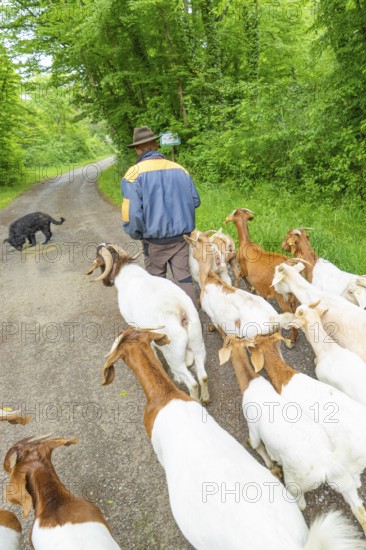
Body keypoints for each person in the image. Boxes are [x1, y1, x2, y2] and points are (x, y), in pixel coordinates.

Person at [120, 126, 200, 307]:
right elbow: (195, 200)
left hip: (153, 240)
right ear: (156, 145)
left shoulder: (132, 175)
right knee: (184, 278)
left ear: (137, 149)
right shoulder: (180, 169)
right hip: (181, 238)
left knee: (156, 279)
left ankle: (164, 321)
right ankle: (191, 316)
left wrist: (137, 234)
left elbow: (132, 214)